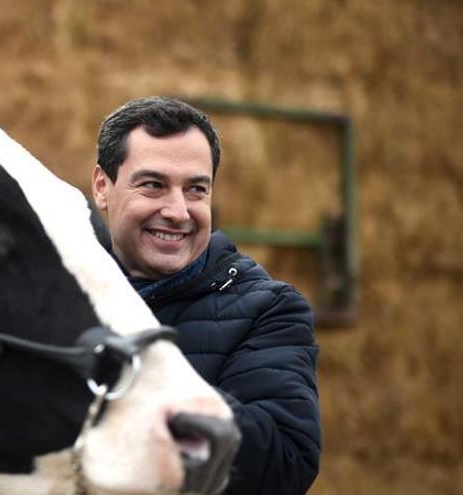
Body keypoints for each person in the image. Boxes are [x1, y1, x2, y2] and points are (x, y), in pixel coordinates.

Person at [91, 96, 321, 494]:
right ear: (102, 188)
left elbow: (285, 464)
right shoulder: (53, 294)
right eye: (153, 185)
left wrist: (146, 380)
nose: (179, 211)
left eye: (196, 189)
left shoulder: (268, 310)